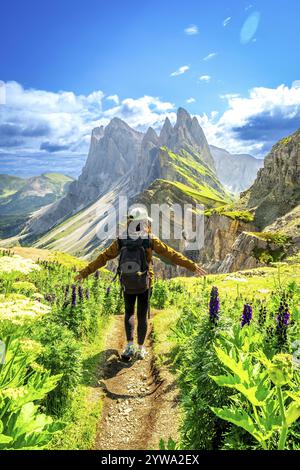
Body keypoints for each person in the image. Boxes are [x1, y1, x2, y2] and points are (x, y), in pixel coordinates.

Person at [75, 207, 206, 361]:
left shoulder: (121, 239)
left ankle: (129, 346)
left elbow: (103, 258)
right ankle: (141, 348)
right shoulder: (149, 239)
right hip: (146, 282)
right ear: (144, 221)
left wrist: (84, 273)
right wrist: (191, 265)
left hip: (127, 281)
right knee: (142, 314)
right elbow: (171, 254)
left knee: (129, 312)